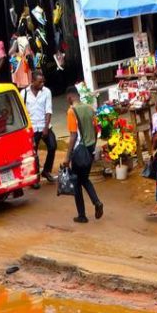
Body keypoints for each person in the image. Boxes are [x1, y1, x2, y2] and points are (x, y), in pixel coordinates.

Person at [63, 86, 103, 223]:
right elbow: (96, 129)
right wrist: (93, 147)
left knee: (76, 182)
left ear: (69, 97)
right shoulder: (90, 108)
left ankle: (82, 215)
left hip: (79, 151)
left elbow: (73, 136)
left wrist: (67, 157)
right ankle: (97, 202)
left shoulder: (71, 111)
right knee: (84, 179)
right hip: (90, 149)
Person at [23, 71, 56, 187]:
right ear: (32, 81)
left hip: (44, 125)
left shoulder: (47, 92)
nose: (42, 83)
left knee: (52, 146)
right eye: (39, 81)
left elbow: (48, 110)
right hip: (32, 128)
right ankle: (35, 177)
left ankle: (46, 171)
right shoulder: (24, 93)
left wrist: (46, 127)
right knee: (33, 153)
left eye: (43, 81)